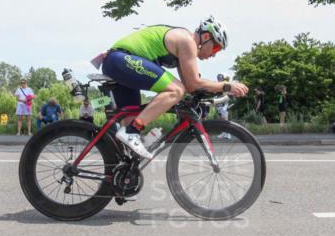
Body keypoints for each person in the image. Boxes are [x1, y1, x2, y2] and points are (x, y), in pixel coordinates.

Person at [100, 16, 248, 158]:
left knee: (128, 135)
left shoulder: (183, 46)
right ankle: (133, 130)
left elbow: (192, 87)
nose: (214, 54)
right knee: (176, 90)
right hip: (121, 59)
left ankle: (118, 174)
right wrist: (226, 86)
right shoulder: (187, 41)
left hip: (120, 63)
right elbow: (192, 83)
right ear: (205, 37)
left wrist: (212, 92)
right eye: (215, 48)